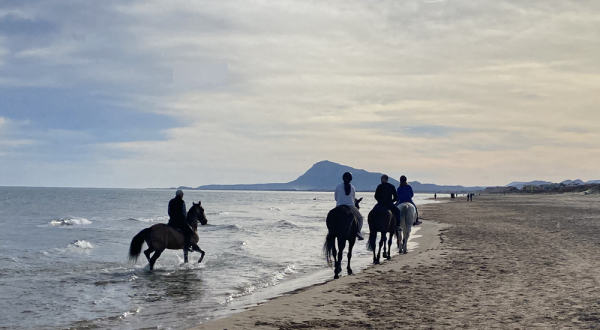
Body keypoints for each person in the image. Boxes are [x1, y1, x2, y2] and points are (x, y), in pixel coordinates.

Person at [334, 172, 364, 240]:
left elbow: (336, 198)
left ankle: (331, 231)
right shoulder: (352, 188)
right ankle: (358, 232)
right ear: (351, 179)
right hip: (350, 206)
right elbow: (353, 200)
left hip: (339, 206)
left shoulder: (338, 186)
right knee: (360, 218)